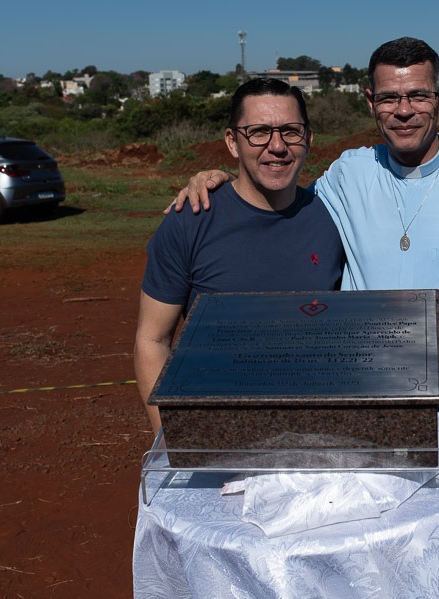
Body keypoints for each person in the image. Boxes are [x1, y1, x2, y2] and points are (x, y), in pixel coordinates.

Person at [171, 37, 439, 387]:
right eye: (389, 97)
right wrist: (226, 180)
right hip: (356, 391)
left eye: (418, 95)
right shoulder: (347, 174)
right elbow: (281, 203)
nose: (404, 111)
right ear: (371, 102)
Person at [134, 78, 344, 433]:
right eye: (258, 132)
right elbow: (151, 341)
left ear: (308, 139)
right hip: (216, 432)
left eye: (290, 132)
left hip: (314, 431)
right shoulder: (190, 221)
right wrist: (171, 440)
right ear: (232, 142)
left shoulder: (333, 216)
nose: (276, 146)